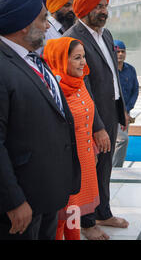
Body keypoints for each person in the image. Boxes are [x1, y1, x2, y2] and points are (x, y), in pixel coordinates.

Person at [0, 0, 81, 240]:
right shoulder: (3, 67)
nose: (48, 26)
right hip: (23, 201)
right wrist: (13, 201)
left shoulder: (31, 59)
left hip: (46, 194)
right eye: (43, 19)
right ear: (24, 24)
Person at [64, 0, 128, 240]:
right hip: (89, 118)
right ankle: (87, 222)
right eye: (98, 7)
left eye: (105, 6)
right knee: (88, 169)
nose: (104, 11)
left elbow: (113, 75)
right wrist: (97, 126)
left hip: (110, 110)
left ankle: (103, 212)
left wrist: (121, 107)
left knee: (104, 167)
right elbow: (82, 87)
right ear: (85, 9)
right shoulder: (73, 38)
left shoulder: (107, 35)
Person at [43, 37, 100, 240]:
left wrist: (91, 145)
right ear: (60, 60)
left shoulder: (80, 82)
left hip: (82, 162)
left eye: (84, 57)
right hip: (63, 165)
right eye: (77, 58)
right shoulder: (52, 91)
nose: (83, 62)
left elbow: (87, 116)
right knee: (60, 217)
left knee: (73, 212)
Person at [113, 39, 139, 168]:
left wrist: (127, 109)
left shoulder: (130, 69)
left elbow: (135, 90)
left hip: (126, 112)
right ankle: (115, 168)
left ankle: (115, 167)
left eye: (123, 52)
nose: (120, 54)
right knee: (122, 140)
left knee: (119, 141)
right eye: (117, 52)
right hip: (113, 113)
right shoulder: (109, 71)